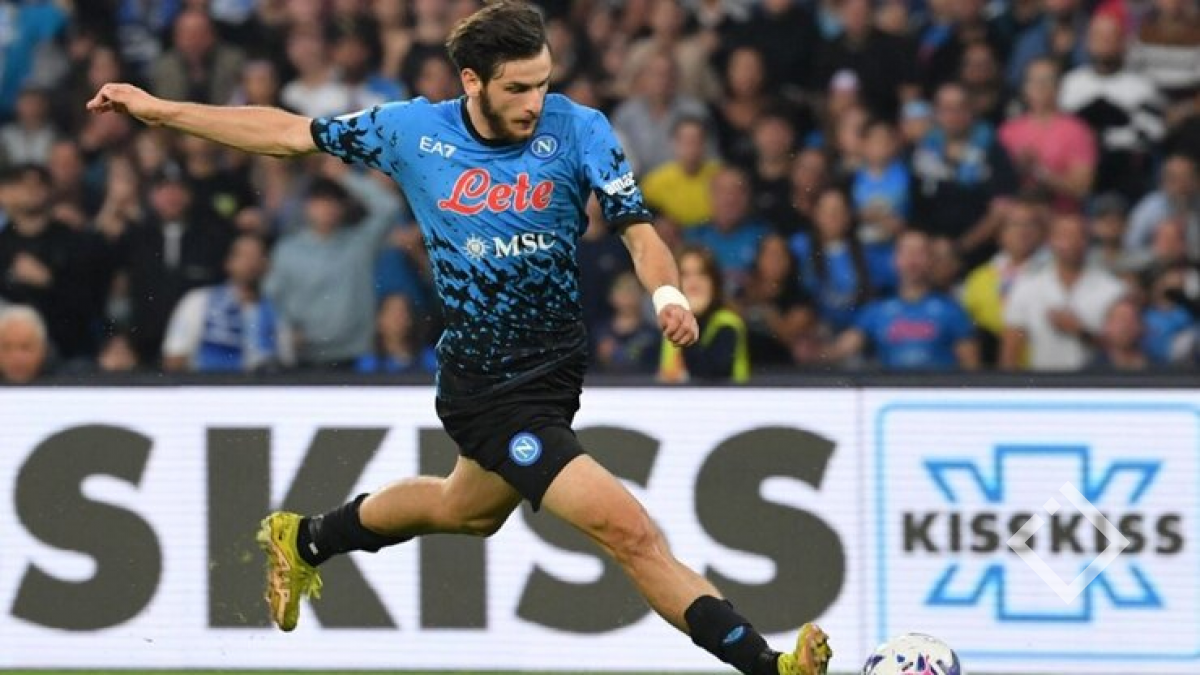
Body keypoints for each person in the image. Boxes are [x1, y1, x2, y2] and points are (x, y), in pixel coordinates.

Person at [87, 4, 832, 675]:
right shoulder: (412, 132)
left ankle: (306, 538)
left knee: (463, 509)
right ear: (472, 81)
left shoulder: (580, 129)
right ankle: (768, 666)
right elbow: (286, 135)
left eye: (543, 83)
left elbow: (639, 232)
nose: (535, 102)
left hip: (555, 373)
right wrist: (161, 110)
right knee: (630, 531)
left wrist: (667, 293)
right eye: (518, 88)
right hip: (490, 388)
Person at [829, 231, 979, 370]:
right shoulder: (877, 311)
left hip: (937, 389)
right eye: (906, 251)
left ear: (931, 260)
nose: (912, 259)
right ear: (894, 259)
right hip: (891, 388)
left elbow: (972, 369)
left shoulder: (951, 311)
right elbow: (839, 351)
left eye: (919, 253)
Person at [161, 234, 293, 373]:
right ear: (228, 262)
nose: (251, 263)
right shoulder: (199, 301)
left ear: (267, 265)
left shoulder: (277, 311)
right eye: (244, 256)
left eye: (257, 256)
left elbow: (286, 362)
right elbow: (174, 358)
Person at [659, 245, 751, 384]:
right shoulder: (672, 322)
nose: (693, 282)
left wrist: (688, 321)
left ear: (714, 281)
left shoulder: (728, 324)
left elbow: (709, 378)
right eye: (685, 275)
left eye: (701, 274)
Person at [0, 304, 49, 384]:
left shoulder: (67, 386)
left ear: (43, 349)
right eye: (7, 347)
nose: (17, 357)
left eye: (25, 347)